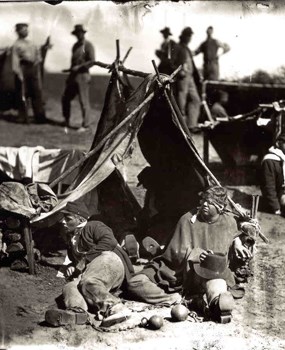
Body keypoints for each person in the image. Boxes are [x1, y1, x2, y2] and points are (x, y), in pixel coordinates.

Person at [127, 186, 254, 322]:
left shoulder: (229, 222)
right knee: (134, 283)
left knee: (220, 297)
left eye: (210, 203)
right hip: (181, 273)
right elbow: (174, 255)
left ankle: (214, 303)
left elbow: (242, 230)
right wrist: (196, 255)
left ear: (220, 208)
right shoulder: (187, 219)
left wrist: (237, 242)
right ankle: (177, 298)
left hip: (212, 274)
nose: (204, 204)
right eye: (204, 200)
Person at [45, 201, 134, 328]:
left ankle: (115, 308)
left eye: (68, 218)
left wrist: (83, 261)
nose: (63, 222)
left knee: (88, 281)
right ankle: (77, 313)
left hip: (110, 261)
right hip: (92, 272)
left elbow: (110, 241)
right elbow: (76, 261)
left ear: (80, 218)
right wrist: (72, 266)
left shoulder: (94, 226)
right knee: (69, 287)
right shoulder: (72, 238)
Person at [12, 23, 48, 124]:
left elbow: (38, 55)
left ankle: (40, 117)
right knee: (23, 94)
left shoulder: (32, 43)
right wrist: (19, 74)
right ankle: (23, 117)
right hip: (23, 68)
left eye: (27, 29)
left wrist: (38, 60)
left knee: (37, 93)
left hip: (34, 68)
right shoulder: (16, 45)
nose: (26, 31)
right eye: (23, 30)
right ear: (18, 31)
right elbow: (15, 61)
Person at [61, 25, 95, 132]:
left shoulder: (88, 45)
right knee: (65, 98)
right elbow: (73, 64)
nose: (78, 35)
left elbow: (92, 61)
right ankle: (66, 120)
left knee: (83, 101)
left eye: (80, 33)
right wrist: (70, 71)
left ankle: (86, 125)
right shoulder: (75, 46)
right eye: (76, 34)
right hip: (73, 76)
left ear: (83, 33)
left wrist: (79, 67)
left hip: (83, 76)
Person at [173, 27, 201, 133]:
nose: (189, 38)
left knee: (195, 100)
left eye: (190, 36)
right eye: (188, 36)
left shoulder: (187, 48)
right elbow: (171, 62)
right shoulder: (177, 47)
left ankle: (191, 125)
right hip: (182, 77)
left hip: (190, 78)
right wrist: (179, 71)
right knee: (181, 101)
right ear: (183, 36)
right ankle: (180, 126)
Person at [260, 133, 285, 215]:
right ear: (278, 143)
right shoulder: (269, 160)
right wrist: (276, 208)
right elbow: (269, 186)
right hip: (280, 195)